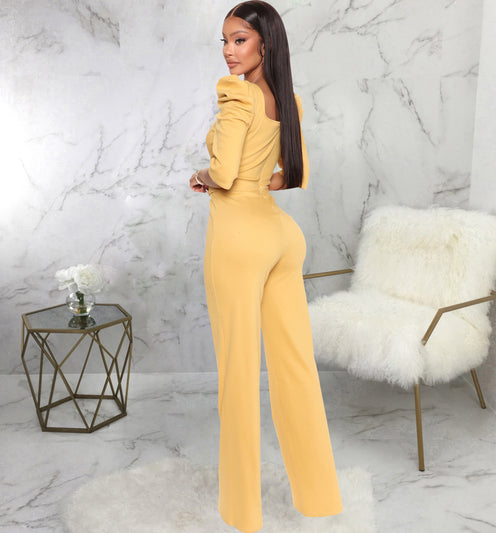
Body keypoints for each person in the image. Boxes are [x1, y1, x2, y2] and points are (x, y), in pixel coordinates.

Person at [189, 2, 343, 531]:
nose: (229, 52)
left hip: (239, 240)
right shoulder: (287, 100)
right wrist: (253, 179)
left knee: (237, 375)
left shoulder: (237, 95)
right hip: (281, 237)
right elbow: (292, 175)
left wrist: (202, 176)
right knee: (296, 368)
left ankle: (243, 512)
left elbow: (224, 173)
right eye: (225, 41)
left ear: (265, 43)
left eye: (239, 40)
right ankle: (319, 499)